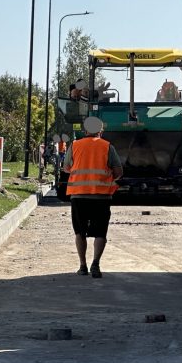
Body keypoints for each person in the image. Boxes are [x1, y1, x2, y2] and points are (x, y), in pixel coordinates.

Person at [64, 116, 123, 278]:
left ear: (85, 131)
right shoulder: (108, 147)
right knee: (100, 232)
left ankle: (82, 266)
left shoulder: (75, 145)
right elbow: (119, 172)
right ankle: (96, 264)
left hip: (79, 195)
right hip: (101, 197)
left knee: (79, 232)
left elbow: (66, 167)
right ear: (100, 131)